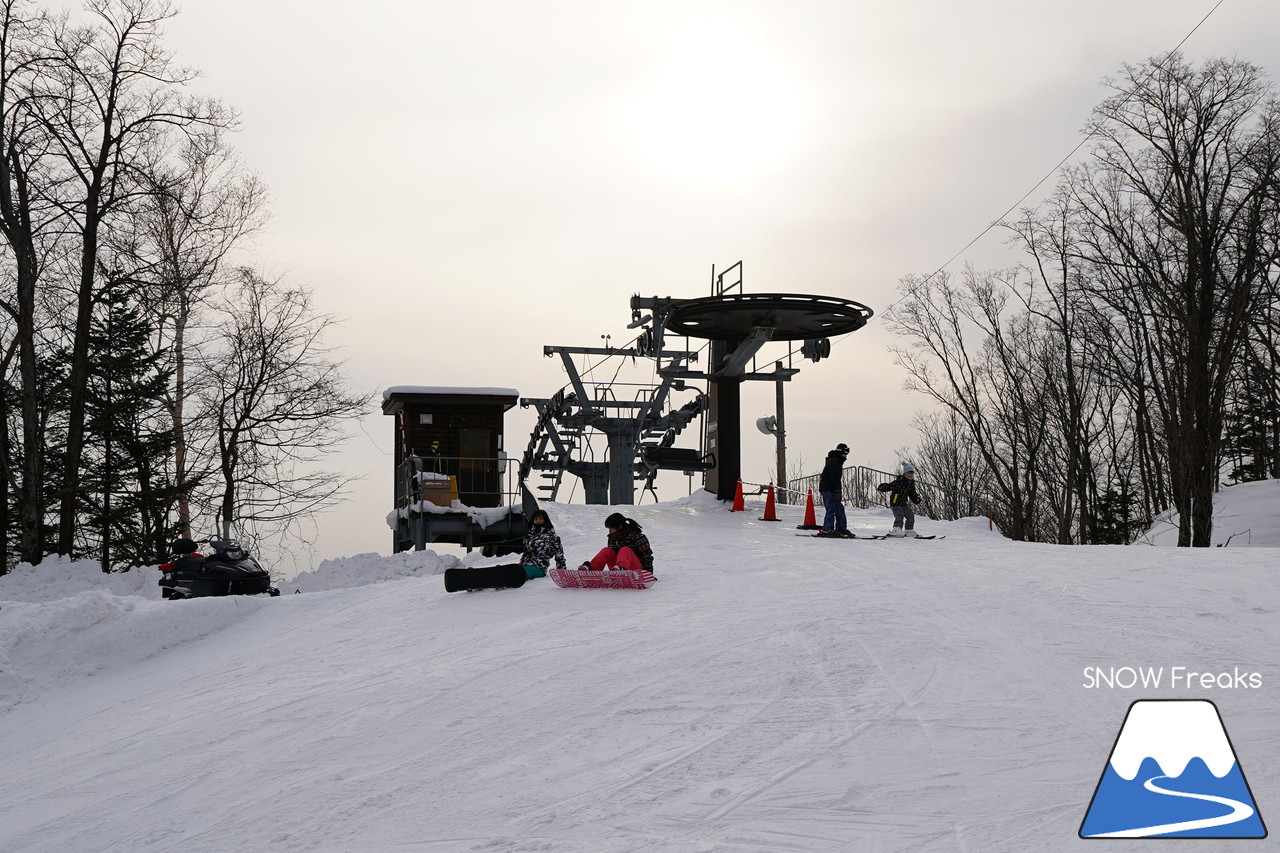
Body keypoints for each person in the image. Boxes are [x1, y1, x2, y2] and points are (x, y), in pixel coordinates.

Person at [580, 512, 655, 575]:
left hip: (636, 570)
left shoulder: (636, 536)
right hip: (616, 569)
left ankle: (622, 568)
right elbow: (611, 555)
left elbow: (647, 556)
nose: (609, 531)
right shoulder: (612, 538)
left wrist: (648, 574)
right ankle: (592, 569)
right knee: (607, 550)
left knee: (625, 550)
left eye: (611, 528)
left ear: (620, 526)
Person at [817, 443, 852, 537]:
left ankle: (841, 528)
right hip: (828, 489)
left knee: (839, 508)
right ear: (840, 453)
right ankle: (827, 529)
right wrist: (837, 491)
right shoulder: (834, 463)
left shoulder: (837, 462)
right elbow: (834, 478)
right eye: (845, 454)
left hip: (832, 489)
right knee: (831, 509)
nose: (846, 457)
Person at [878, 463, 922, 537]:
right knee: (899, 515)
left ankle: (909, 530)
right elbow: (889, 486)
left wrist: (916, 499)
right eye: (909, 472)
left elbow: (912, 494)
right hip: (896, 503)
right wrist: (883, 487)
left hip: (903, 503)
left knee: (910, 515)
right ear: (905, 473)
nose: (911, 474)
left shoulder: (911, 484)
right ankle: (896, 529)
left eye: (912, 473)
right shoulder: (899, 482)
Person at [520, 509, 566, 578]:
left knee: (520, 572)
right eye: (535, 519)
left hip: (539, 568)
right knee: (511, 569)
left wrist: (562, 573)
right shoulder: (529, 536)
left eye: (541, 518)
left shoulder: (552, 537)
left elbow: (559, 556)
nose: (538, 521)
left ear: (546, 520)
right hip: (524, 565)